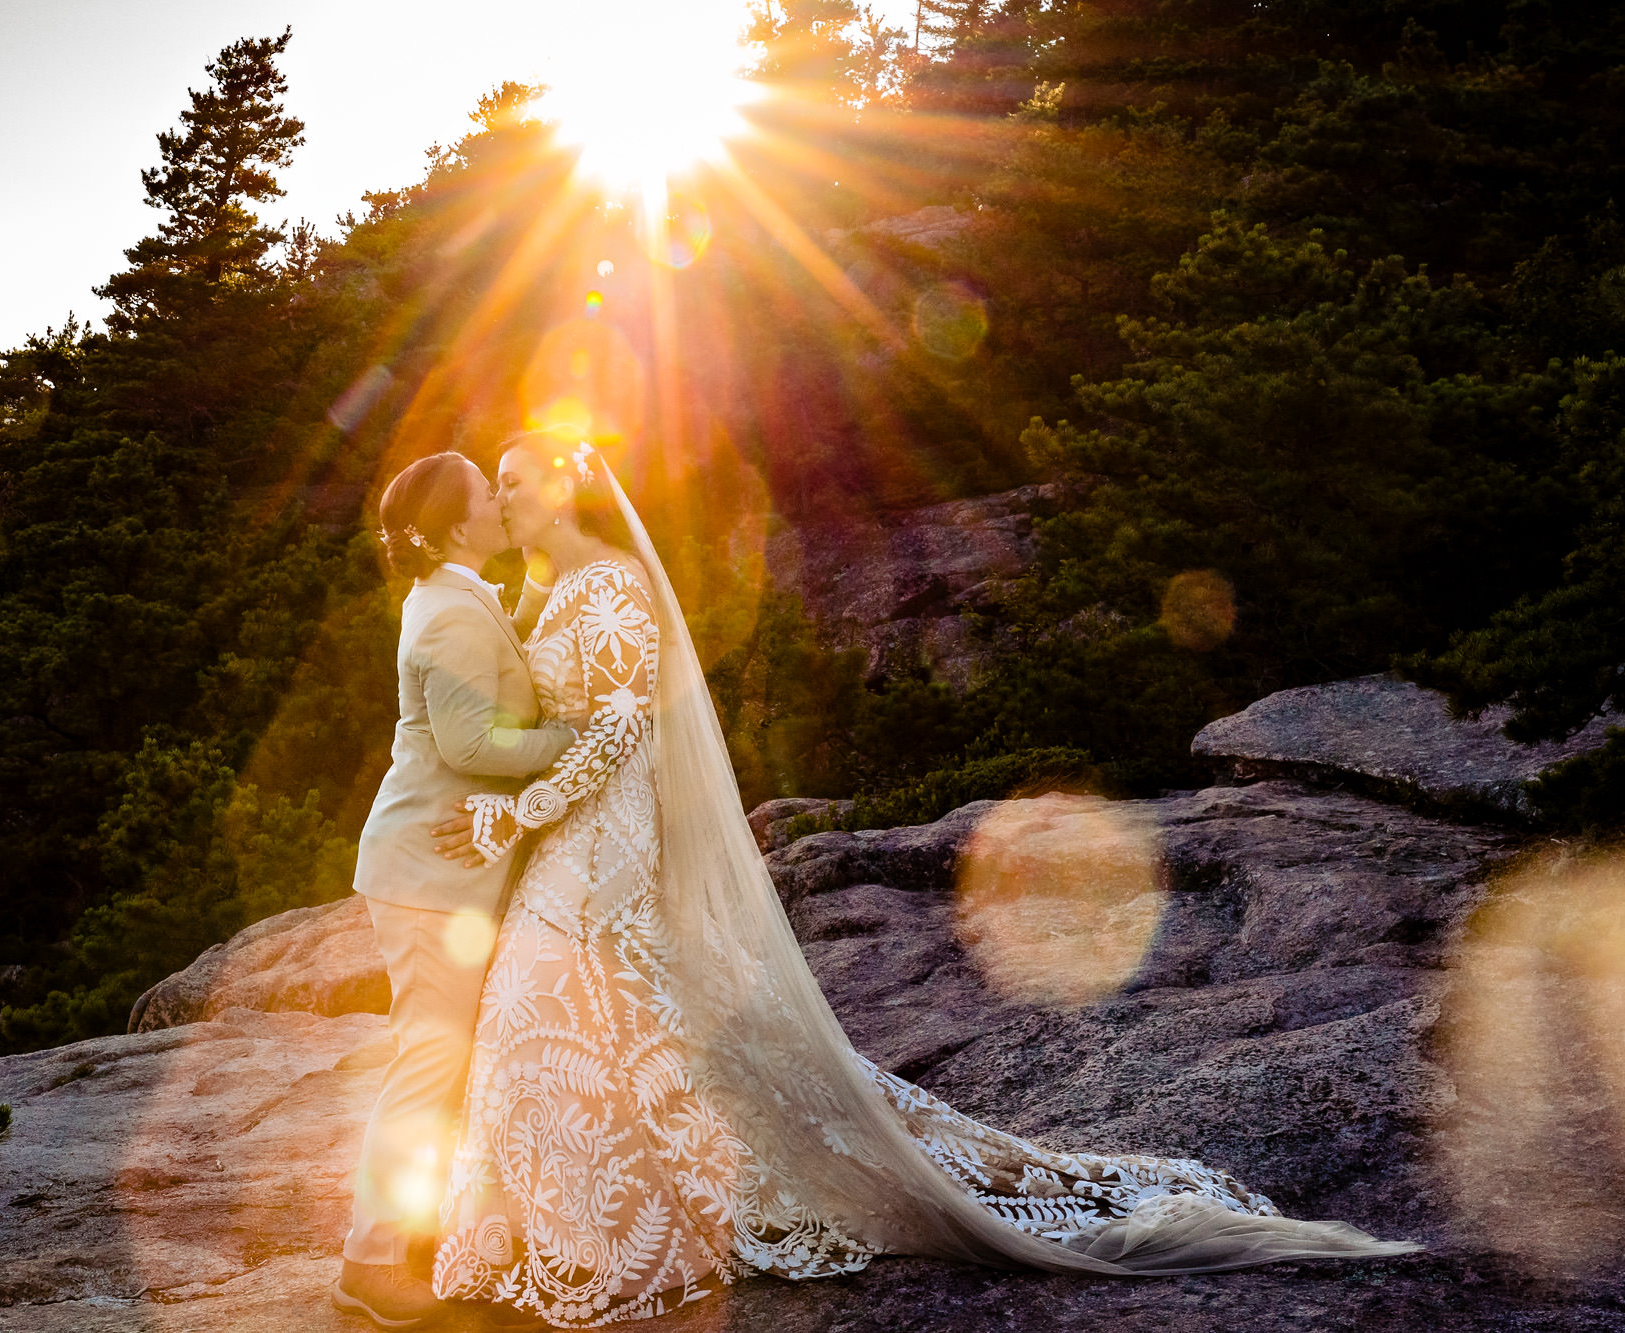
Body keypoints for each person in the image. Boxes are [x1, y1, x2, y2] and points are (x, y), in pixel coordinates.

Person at [427, 434, 1420, 1328]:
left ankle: (618, 1228)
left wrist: (512, 811)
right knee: (581, 1009)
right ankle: (585, 1217)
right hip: (569, 830)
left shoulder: (606, 588)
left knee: (553, 1002)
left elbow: (614, 728)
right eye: (500, 486)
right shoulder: (544, 588)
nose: (504, 498)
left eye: (515, 483)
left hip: (605, 834)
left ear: (561, 491)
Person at [334, 451, 575, 1331]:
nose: (498, 502)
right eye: (486, 493)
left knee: (452, 1057)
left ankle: (428, 1224)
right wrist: (574, 740)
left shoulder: (460, 593)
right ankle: (369, 1260)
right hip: (427, 873)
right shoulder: (445, 613)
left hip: (445, 868)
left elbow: (498, 645)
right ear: (451, 524)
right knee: (429, 1061)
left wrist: (548, 581)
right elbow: (471, 744)